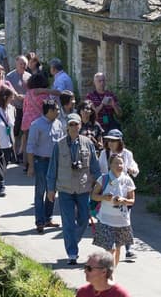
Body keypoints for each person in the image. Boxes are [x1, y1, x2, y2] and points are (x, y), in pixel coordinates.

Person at [47, 113, 101, 265]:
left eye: (76, 124)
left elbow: (95, 167)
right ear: (67, 126)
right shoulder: (59, 144)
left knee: (84, 220)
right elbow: (52, 169)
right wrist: (51, 189)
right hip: (65, 189)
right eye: (71, 124)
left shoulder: (88, 143)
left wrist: (100, 185)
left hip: (84, 188)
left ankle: (72, 240)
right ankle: (72, 252)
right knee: (68, 222)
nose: (73, 127)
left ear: (80, 126)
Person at [99, 129, 140, 260]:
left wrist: (133, 170)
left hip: (124, 190)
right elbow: (100, 171)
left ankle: (128, 249)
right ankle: (110, 248)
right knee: (108, 218)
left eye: (113, 140)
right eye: (109, 140)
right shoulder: (104, 154)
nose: (110, 143)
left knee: (125, 217)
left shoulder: (127, 154)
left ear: (119, 142)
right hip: (109, 191)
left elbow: (134, 169)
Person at [91, 153, 136, 267]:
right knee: (110, 250)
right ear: (110, 165)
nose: (119, 165)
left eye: (121, 163)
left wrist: (123, 200)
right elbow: (94, 196)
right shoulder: (103, 178)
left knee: (117, 249)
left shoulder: (127, 180)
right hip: (106, 220)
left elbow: (132, 201)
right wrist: (104, 197)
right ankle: (109, 273)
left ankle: (111, 273)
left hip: (121, 221)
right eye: (116, 163)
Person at [26, 99, 64, 234]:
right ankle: (39, 221)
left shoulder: (59, 124)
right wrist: (31, 166)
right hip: (41, 162)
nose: (59, 112)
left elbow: (61, 144)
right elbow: (30, 146)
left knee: (52, 191)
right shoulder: (36, 125)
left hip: (55, 162)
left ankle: (48, 218)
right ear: (50, 111)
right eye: (56, 109)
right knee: (40, 191)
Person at [6, 55, 30, 159]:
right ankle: (13, 153)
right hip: (14, 108)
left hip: (26, 108)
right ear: (16, 63)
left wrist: (25, 97)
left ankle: (21, 152)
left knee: (25, 131)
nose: (23, 66)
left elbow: (31, 92)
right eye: (21, 63)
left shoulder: (29, 76)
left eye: (25, 64)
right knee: (14, 131)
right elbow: (6, 90)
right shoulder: (10, 76)